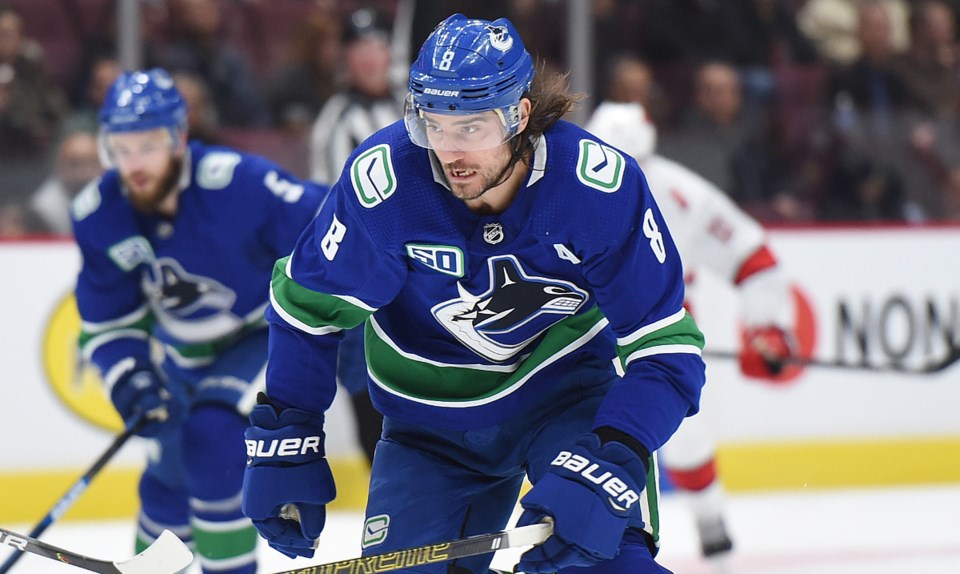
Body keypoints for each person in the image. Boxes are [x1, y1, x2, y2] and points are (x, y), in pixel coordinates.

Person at [241, 13, 706, 574]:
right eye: (434, 126)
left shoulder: (595, 189)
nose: (450, 152)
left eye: (472, 129)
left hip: (563, 396)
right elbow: (307, 309)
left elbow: (666, 351)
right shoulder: (386, 187)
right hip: (428, 424)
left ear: (520, 116)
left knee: (603, 563)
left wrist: (614, 452)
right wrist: (289, 429)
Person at [70, 68, 327, 574]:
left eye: (146, 145)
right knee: (167, 470)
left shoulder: (239, 185)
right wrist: (131, 377)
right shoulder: (100, 212)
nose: (133, 164)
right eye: (120, 148)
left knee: (212, 438)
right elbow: (109, 320)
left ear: (179, 137)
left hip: (264, 335)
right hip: (184, 353)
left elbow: (330, 228)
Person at [585, 101, 801, 564]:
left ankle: (711, 526)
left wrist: (768, 327)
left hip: (662, 349)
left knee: (685, 438)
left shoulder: (683, 196)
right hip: (588, 349)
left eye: (633, 165)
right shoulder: (565, 196)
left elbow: (751, 256)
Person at [29, 130, 102, 235]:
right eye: (74, 164)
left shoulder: (120, 195)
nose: (83, 173)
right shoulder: (42, 209)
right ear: (60, 165)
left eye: (92, 163)